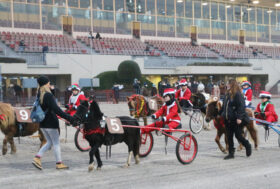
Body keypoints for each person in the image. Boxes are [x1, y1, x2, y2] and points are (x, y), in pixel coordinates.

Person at [32, 76, 76, 170]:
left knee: (49, 142)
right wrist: (69, 118)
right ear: (45, 84)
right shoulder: (48, 95)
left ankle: (37, 157)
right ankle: (59, 163)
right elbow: (56, 110)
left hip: (42, 123)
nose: (49, 84)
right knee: (56, 143)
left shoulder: (39, 94)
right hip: (51, 123)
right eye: (48, 83)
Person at [220, 79, 252, 160]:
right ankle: (231, 153)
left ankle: (247, 145)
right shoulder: (227, 94)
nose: (227, 85)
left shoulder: (237, 94)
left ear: (232, 85)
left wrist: (239, 117)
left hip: (235, 119)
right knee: (229, 137)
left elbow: (241, 106)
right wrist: (219, 114)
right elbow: (224, 106)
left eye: (228, 84)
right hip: (228, 119)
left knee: (238, 136)